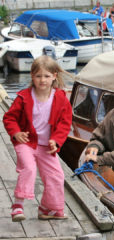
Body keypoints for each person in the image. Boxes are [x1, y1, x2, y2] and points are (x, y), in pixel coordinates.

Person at [3, 55, 73, 222]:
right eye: (38, 76)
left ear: (54, 76)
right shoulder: (24, 97)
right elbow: (9, 118)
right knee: (29, 168)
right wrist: (16, 133)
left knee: (56, 175)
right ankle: (18, 205)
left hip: (46, 146)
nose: (43, 80)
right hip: (26, 142)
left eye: (47, 76)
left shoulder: (61, 98)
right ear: (32, 76)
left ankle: (48, 208)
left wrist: (56, 140)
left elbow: (65, 123)